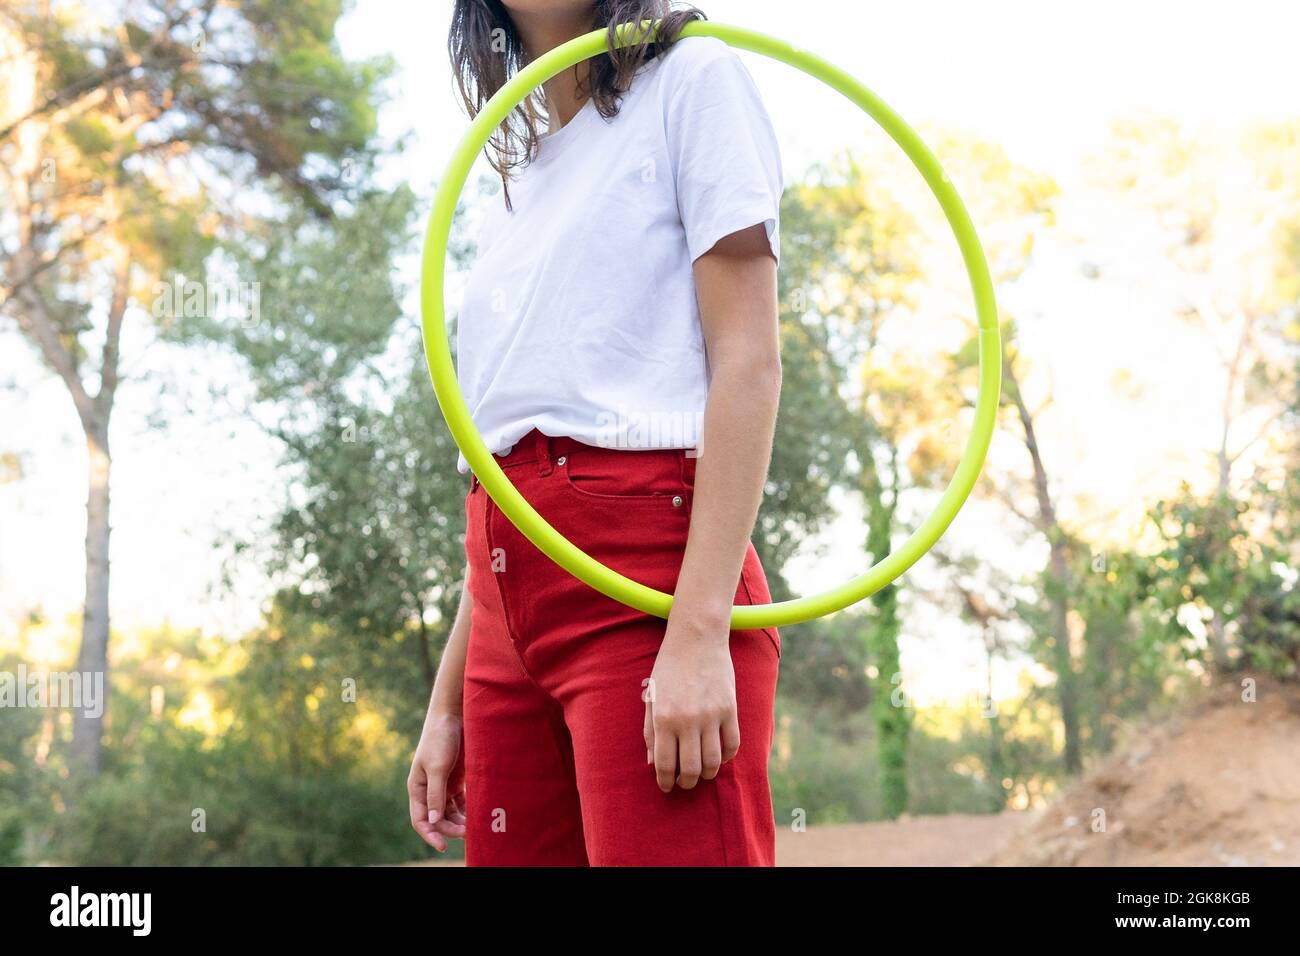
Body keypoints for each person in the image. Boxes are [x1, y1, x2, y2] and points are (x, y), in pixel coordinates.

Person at [409, 0, 785, 866]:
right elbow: (511, 464)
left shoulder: (696, 80)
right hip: (504, 600)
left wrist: (695, 635)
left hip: (649, 581)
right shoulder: (512, 177)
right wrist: (451, 702)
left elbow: (748, 363)